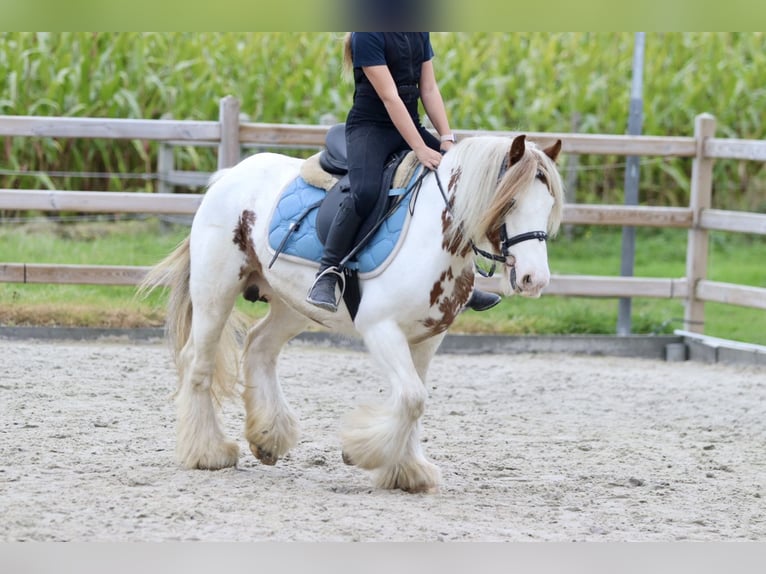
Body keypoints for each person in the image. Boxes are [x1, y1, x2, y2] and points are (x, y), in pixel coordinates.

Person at [306, 32, 501, 314]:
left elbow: (429, 88)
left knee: (459, 182)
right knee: (365, 192)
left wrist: (447, 138)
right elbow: (390, 97)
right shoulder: (367, 34)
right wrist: (420, 148)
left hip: (409, 126)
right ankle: (328, 271)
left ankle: (462, 279)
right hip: (370, 130)